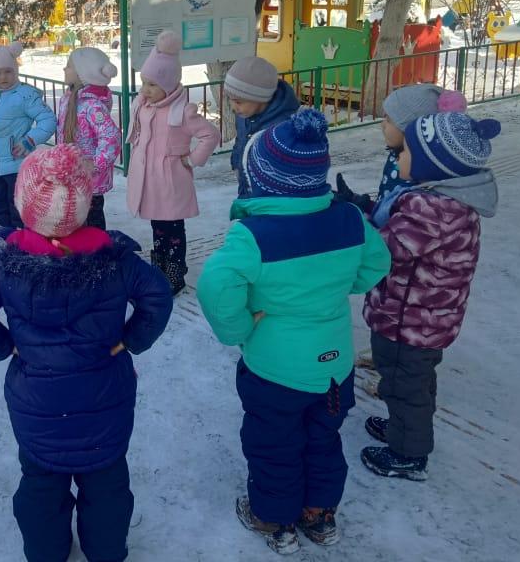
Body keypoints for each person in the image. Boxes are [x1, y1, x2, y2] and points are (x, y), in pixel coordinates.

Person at [0, 145, 173, 562]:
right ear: (85, 205)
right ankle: (106, 552)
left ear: (23, 204)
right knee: (106, 485)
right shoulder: (116, 260)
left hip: (37, 402)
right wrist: (131, 339)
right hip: (105, 397)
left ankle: (46, 552)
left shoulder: (6, 264)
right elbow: (158, 298)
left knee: (40, 484)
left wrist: (6, 346)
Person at [197, 110, 391, 554]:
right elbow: (379, 260)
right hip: (334, 368)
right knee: (323, 438)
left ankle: (273, 517)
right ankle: (319, 516)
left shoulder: (252, 235)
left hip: (274, 371)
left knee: (274, 444)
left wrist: (239, 327)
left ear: (260, 180)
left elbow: (215, 285)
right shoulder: (347, 219)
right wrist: (346, 285)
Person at [360, 112, 500, 482]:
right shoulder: (442, 200)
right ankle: (402, 428)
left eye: (405, 151)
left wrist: (353, 223)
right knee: (410, 381)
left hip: (410, 322)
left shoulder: (433, 209)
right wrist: (366, 208)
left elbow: (385, 250)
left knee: (406, 385)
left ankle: (408, 453)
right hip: (425, 319)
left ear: (430, 164)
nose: (399, 158)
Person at [126, 31, 219, 294]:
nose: (146, 90)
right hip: (149, 180)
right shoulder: (143, 106)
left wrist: (191, 158)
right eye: (144, 83)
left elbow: (210, 135)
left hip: (171, 180)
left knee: (174, 228)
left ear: (168, 84)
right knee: (158, 225)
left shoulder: (183, 111)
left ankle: (175, 272)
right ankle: (161, 268)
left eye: (152, 85)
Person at [335, 85, 467, 225]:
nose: (382, 125)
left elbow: (400, 233)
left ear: (411, 131)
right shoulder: (398, 156)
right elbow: (389, 210)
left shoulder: (423, 183)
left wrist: (361, 221)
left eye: (389, 120)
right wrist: (361, 203)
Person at [0, 43, 56, 229]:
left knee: (18, 205)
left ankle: (21, 237)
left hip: (18, 164)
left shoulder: (25, 95)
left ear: (15, 70)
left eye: (8, 71)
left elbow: (48, 120)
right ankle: (4, 233)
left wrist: (29, 140)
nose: (3, 77)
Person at [59, 47, 121, 229]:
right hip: (73, 173)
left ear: (82, 74)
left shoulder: (92, 106)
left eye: (69, 66)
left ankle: (98, 253)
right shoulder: (68, 99)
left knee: (92, 222)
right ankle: (82, 252)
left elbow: (111, 137)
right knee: (76, 220)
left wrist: (95, 164)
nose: (65, 69)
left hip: (91, 179)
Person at [224, 56, 300, 198]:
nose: (233, 107)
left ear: (259, 98)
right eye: (230, 100)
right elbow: (240, 140)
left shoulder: (283, 126)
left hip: (273, 198)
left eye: (238, 102)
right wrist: (237, 164)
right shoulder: (244, 115)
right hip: (247, 189)